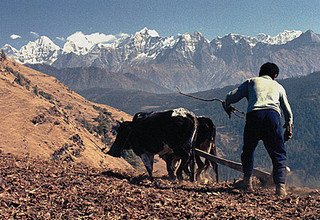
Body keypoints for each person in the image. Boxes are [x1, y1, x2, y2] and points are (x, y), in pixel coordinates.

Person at [223, 62, 293, 196]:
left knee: (248, 149)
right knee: (278, 153)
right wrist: (289, 125)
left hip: (254, 117)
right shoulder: (278, 86)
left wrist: (226, 104)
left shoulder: (252, 81)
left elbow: (232, 96)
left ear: (260, 72)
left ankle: (247, 182)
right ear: (275, 75)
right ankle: (280, 188)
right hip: (273, 117)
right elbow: (287, 109)